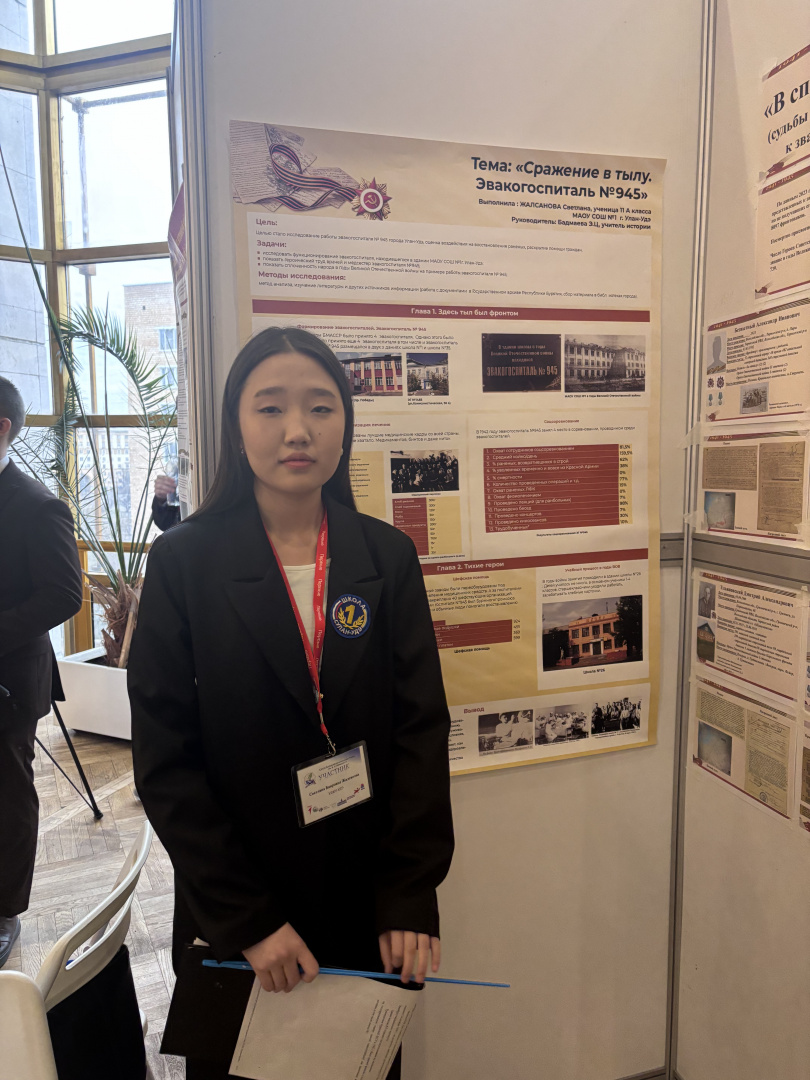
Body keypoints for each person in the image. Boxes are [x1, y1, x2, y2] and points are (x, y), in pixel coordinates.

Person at [128, 328, 454, 1079]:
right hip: (240, 908)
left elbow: (420, 732)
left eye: (320, 407)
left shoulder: (386, 556)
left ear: (345, 423)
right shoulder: (184, 562)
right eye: (270, 407)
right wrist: (247, 919)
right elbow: (166, 762)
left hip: (365, 901)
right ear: (236, 425)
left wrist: (409, 892)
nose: (297, 430)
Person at [0, 376, 83, 967]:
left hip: (8, 679)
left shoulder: (37, 506)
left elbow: (64, 595)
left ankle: (4, 910)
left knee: (6, 794)